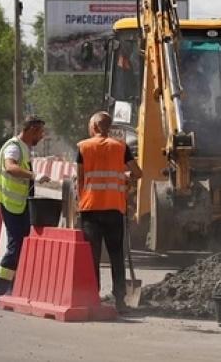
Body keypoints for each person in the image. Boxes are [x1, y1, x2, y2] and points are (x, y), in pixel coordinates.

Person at [76, 111, 142, 312]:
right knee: (116, 255)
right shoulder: (121, 147)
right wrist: (125, 176)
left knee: (92, 256)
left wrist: (82, 201)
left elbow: (80, 178)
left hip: (90, 209)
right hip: (114, 209)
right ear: (108, 128)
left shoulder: (83, 147)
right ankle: (120, 301)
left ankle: (92, 298)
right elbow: (138, 173)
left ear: (95, 127)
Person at [0, 116, 50, 307]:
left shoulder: (24, 149)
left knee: (19, 247)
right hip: (12, 205)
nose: (42, 136)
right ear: (32, 129)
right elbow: (10, 166)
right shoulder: (14, 147)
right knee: (15, 248)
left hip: (19, 204)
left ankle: (11, 290)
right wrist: (33, 175)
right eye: (41, 132)